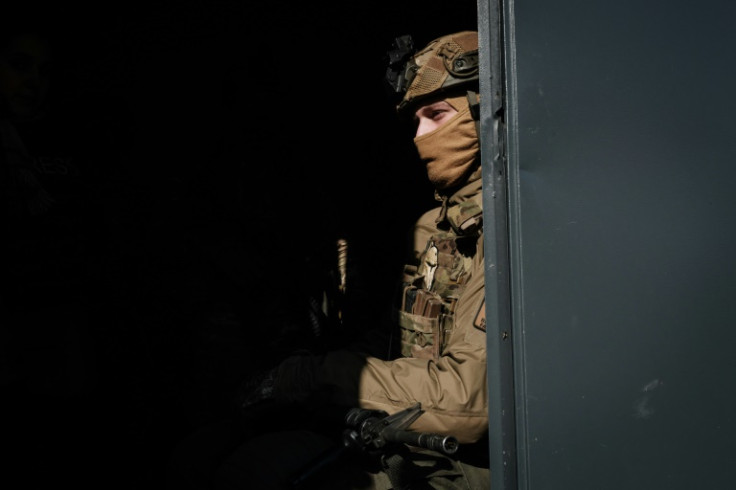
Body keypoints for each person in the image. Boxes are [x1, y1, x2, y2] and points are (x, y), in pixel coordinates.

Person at [167, 30, 489, 490]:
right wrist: (315, 379)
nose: (420, 138)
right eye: (414, 121)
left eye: (435, 115)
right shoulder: (435, 227)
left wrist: (313, 377)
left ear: (484, 114)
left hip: (464, 467)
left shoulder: (512, 235)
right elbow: (397, 340)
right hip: (406, 437)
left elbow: (472, 403)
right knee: (207, 455)